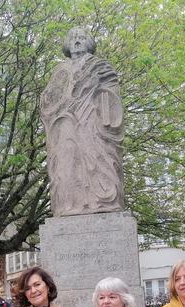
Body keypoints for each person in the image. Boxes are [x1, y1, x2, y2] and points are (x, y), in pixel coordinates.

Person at [40, 27, 124, 216]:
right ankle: (69, 205)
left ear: (90, 43)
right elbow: (47, 102)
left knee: (97, 159)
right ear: (67, 45)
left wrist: (93, 94)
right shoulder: (60, 71)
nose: (77, 42)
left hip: (92, 124)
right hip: (65, 127)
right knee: (67, 163)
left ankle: (102, 201)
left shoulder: (101, 67)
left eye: (82, 38)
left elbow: (112, 99)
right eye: (73, 38)